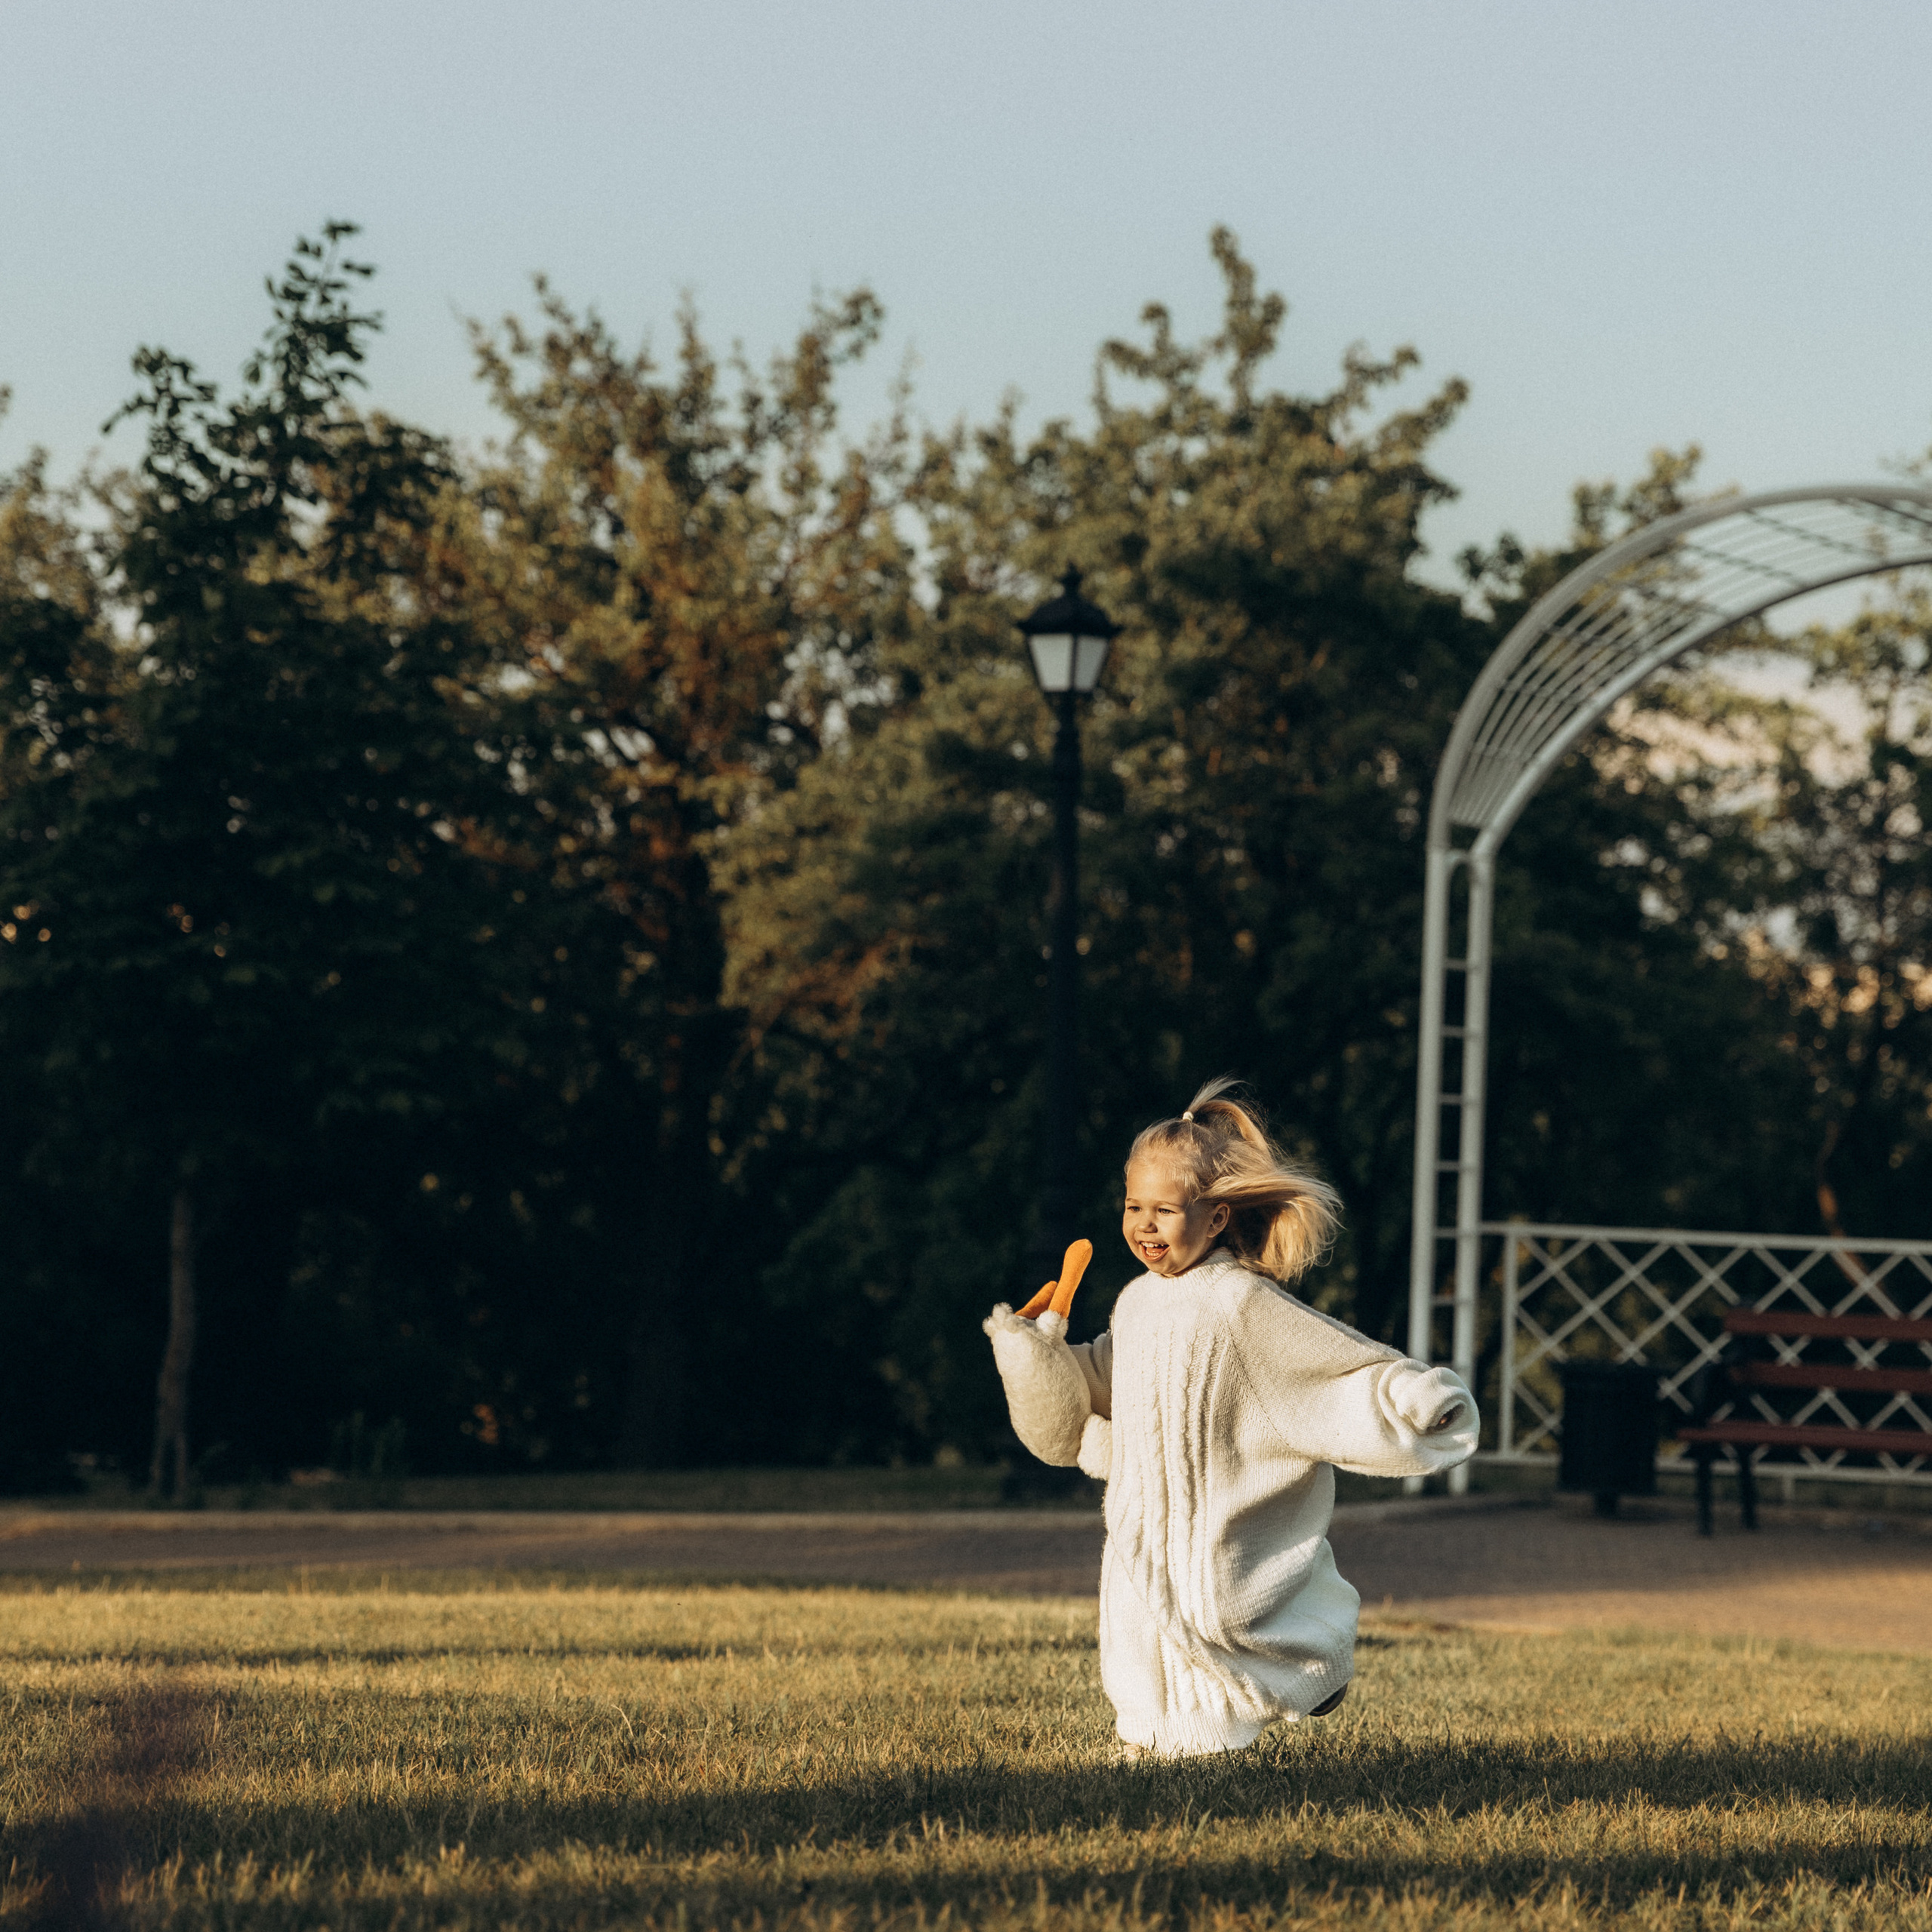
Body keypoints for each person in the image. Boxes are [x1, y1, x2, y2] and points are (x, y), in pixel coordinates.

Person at [985, 1077, 1478, 1758]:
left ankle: (1309, 1660)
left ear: (1216, 1218)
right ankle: (1148, 1735)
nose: (1145, 1226)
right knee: (1135, 1628)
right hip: (1139, 1522)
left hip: (1218, 1521)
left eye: (1165, 1210)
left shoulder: (1239, 1303)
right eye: (1134, 1207)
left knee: (1226, 1611)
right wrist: (1042, 1357)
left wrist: (1408, 1398)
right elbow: (1107, 1380)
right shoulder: (1135, 1302)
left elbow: (1330, 1365)